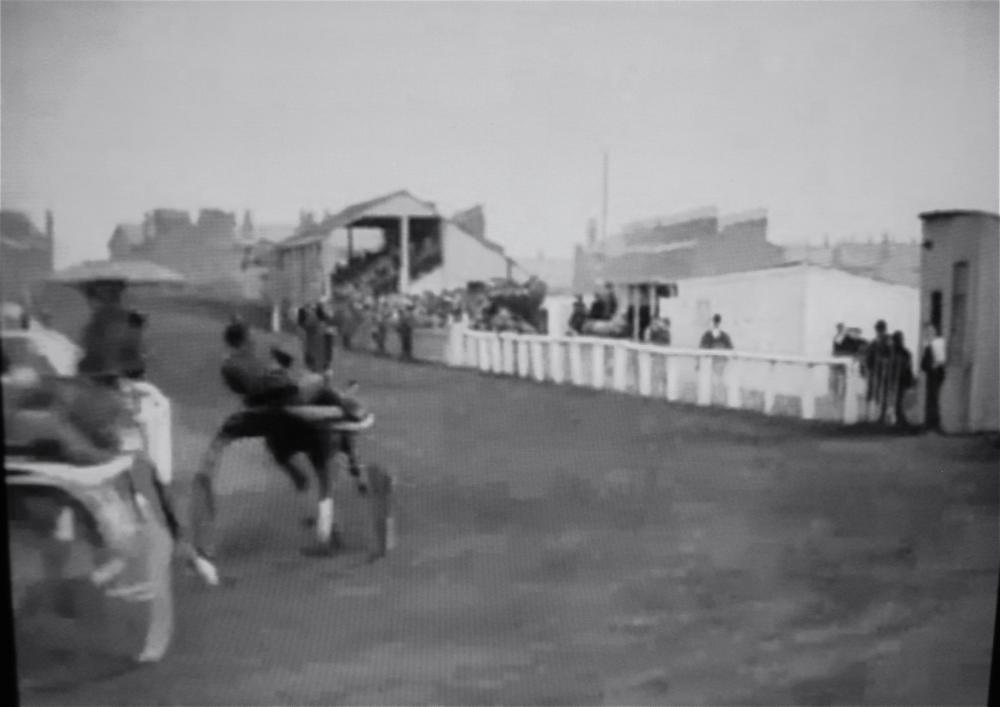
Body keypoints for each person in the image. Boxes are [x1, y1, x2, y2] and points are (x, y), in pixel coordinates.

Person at [77, 280, 148, 382]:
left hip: (105, 376)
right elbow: (137, 348)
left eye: (90, 296)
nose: (88, 301)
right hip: (130, 374)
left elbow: (93, 348)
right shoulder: (134, 317)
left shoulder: (99, 319)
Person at [864, 319, 894, 423]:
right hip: (875, 371)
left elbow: (891, 354)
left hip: (884, 371)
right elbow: (868, 356)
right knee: (873, 391)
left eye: (881, 329)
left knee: (882, 392)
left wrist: (883, 360)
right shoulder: (873, 342)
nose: (880, 332)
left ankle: (881, 415)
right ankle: (872, 415)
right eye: (878, 329)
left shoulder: (888, 340)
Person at [920, 322, 946, 433]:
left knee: (934, 399)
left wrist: (934, 366)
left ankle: (935, 424)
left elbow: (941, 360)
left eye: (931, 331)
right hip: (931, 374)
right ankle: (930, 423)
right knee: (930, 399)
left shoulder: (938, 342)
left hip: (936, 374)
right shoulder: (927, 344)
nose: (929, 333)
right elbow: (924, 362)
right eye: (927, 331)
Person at [891, 330, 916, 429]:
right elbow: (908, 367)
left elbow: (907, 367)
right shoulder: (905, 353)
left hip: (900, 379)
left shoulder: (900, 352)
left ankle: (899, 419)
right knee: (899, 399)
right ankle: (900, 419)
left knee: (899, 399)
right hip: (901, 378)